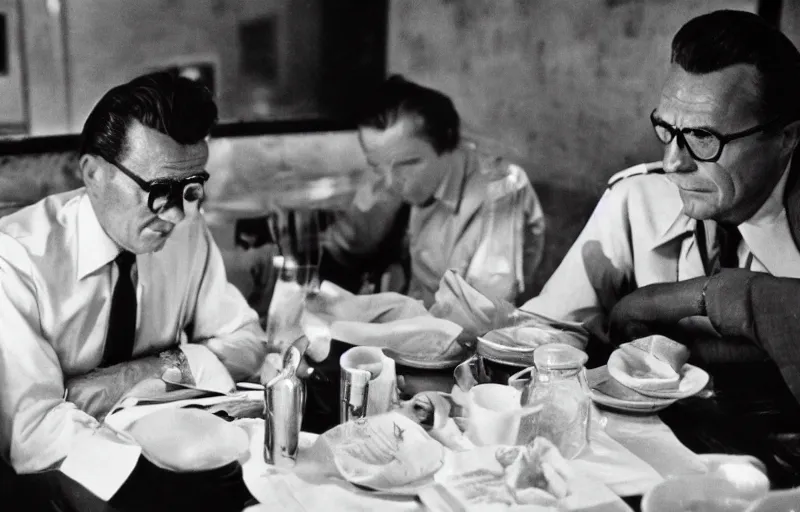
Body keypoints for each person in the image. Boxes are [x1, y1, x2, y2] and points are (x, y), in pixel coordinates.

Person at [522, 10, 800, 426]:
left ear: (787, 138)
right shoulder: (637, 200)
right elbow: (548, 331)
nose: (672, 163)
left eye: (704, 137)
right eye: (667, 128)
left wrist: (680, 299)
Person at [0, 71, 267, 474]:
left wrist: (137, 376)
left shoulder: (186, 229)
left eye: (191, 187)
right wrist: (189, 372)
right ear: (93, 173)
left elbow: (248, 341)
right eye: (159, 191)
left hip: (182, 457)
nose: (178, 214)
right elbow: (36, 436)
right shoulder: (15, 259)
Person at [320, 75, 546, 307]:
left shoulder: (501, 189)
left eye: (408, 163)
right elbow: (341, 247)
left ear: (448, 144)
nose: (390, 182)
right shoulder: (390, 168)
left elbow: (483, 315)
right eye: (376, 165)